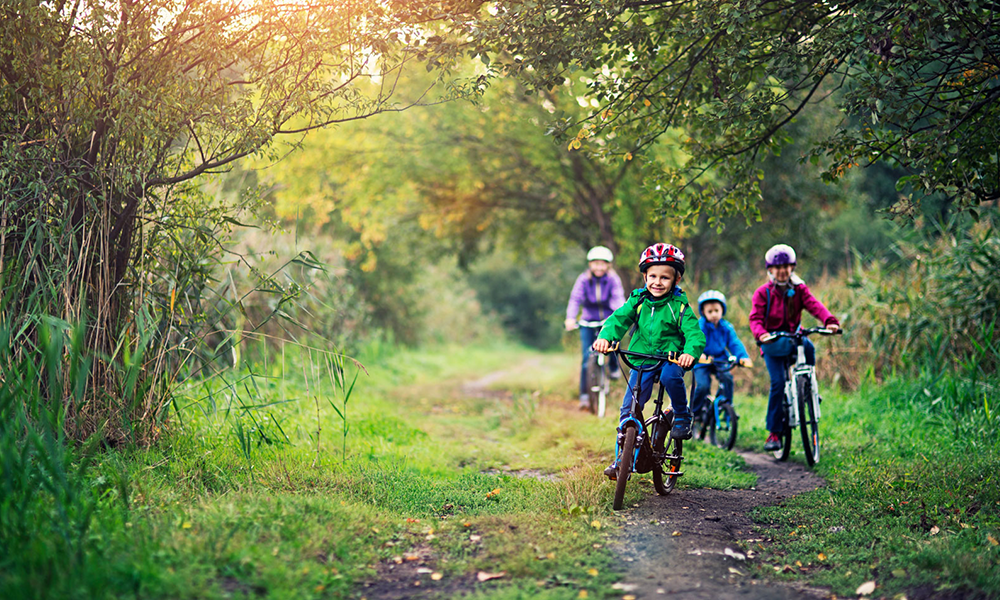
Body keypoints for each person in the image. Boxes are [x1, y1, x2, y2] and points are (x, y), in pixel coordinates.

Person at [591, 243, 705, 479]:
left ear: (676, 279)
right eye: (653, 276)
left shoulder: (679, 306)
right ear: (645, 276)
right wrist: (605, 337)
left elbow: (694, 333)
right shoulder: (638, 301)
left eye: (665, 277)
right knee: (628, 409)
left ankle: (682, 414)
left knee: (670, 376)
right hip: (641, 358)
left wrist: (689, 353)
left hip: (670, 358)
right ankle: (622, 459)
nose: (658, 282)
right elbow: (618, 319)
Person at [749, 244, 840, 452]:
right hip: (772, 342)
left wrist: (829, 320)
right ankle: (774, 432)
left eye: (787, 266)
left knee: (809, 348)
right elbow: (755, 318)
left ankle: (808, 387)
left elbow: (814, 305)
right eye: (777, 267)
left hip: (794, 337)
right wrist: (761, 333)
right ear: (770, 270)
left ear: (793, 268)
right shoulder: (763, 293)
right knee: (778, 383)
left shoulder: (799, 289)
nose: (782, 271)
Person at [565, 246, 626, 410]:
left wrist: (619, 316)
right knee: (587, 358)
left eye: (602, 264)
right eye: (595, 264)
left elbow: (619, 298)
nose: (599, 267)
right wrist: (571, 318)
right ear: (590, 264)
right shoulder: (583, 279)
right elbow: (575, 299)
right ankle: (584, 396)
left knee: (612, 344)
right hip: (587, 321)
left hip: (607, 319)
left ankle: (613, 367)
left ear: (608, 265)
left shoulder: (613, 279)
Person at [691, 290, 752, 417]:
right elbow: (694, 342)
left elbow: (734, 343)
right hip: (702, 360)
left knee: (727, 379)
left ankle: (726, 406)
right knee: (702, 386)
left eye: (716, 311)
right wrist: (698, 354)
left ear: (722, 311)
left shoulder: (726, 327)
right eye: (710, 311)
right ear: (703, 312)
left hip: (720, 358)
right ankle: (695, 414)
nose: (713, 314)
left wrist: (743, 357)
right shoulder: (700, 326)